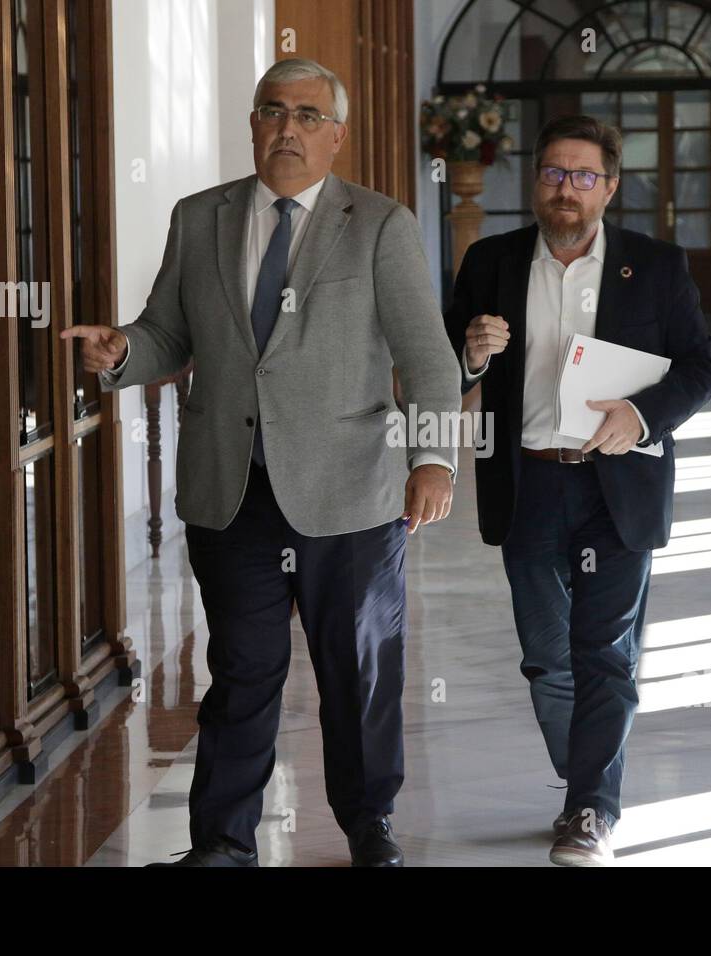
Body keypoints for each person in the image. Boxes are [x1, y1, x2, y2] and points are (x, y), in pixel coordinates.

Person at [62, 57, 460, 867]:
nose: (288, 128)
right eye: (272, 111)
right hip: (232, 487)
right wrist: (121, 352)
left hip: (351, 492)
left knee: (360, 673)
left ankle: (368, 828)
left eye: (309, 116)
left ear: (337, 136)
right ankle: (222, 844)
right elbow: (169, 334)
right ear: (251, 124)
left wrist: (435, 459)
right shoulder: (199, 216)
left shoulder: (379, 223)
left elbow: (427, 358)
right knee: (242, 670)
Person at [444, 115, 711, 866]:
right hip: (528, 479)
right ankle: (586, 776)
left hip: (615, 485)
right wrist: (468, 358)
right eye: (554, 174)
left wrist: (640, 414)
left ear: (610, 186)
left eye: (583, 175)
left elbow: (702, 368)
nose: (567, 188)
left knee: (603, 651)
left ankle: (591, 807)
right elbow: (440, 356)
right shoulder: (492, 261)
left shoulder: (656, 265)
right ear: (536, 181)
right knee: (546, 657)